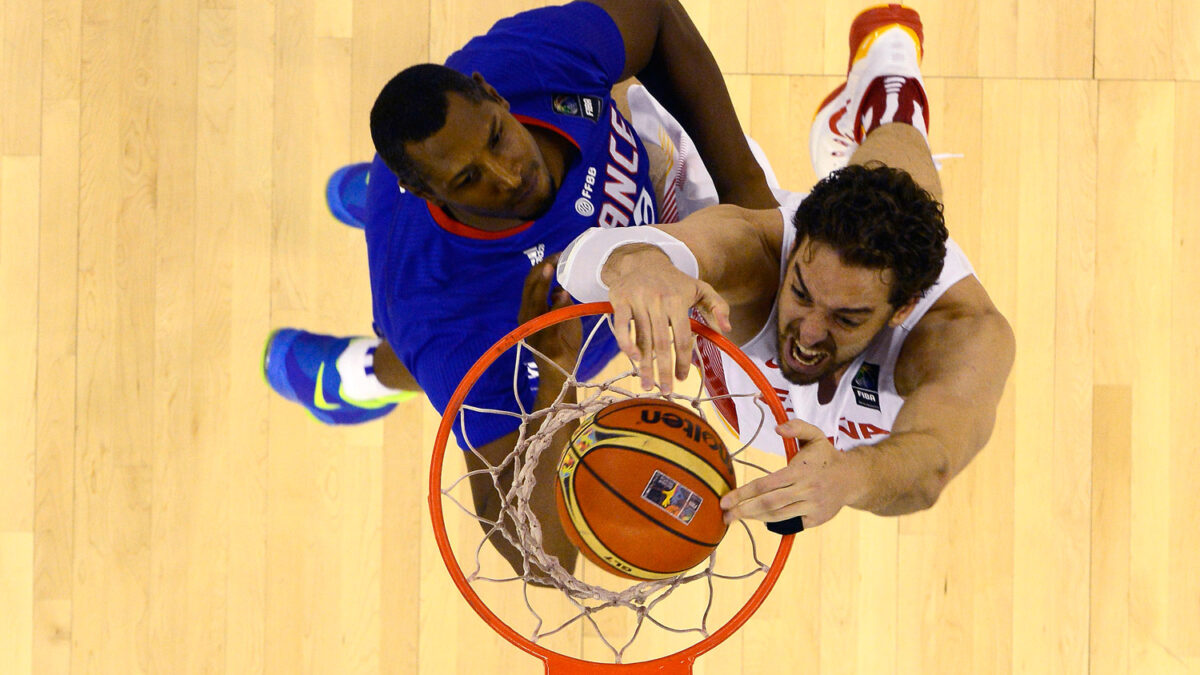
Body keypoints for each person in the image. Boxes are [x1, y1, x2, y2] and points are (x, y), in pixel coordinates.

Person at [262, 0, 779, 574]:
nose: (509, 175)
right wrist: (554, 379)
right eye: (469, 178)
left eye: (496, 138)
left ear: (495, 96)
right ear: (430, 194)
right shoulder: (441, 311)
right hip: (462, 298)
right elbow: (537, 559)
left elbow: (651, 15)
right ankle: (359, 377)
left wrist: (751, 201)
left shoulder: (529, 60)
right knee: (445, 365)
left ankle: (385, 193)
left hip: (620, 229)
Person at [557, 4, 1016, 533]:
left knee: (906, 184)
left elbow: (933, 459)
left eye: (847, 318)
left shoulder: (959, 335)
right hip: (742, 353)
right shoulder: (761, 247)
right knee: (616, 123)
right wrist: (639, 264)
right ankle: (887, 99)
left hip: (817, 439)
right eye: (802, 294)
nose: (808, 332)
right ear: (797, 247)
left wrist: (848, 477)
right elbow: (590, 260)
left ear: (904, 307)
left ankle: (885, 105)